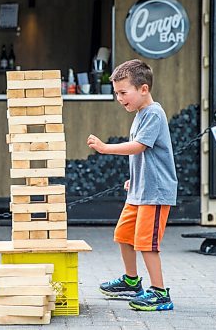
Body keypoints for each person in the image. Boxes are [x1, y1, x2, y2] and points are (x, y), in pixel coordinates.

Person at [87, 59, 177, 311]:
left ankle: (160, 294)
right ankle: (131, 281)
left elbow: (139, 147)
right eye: (116, 93)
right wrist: (134, 177)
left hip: (155, 193)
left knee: (147, 244)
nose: (119, 98)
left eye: (123, 92)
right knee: (124, 235)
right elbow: (145, 155)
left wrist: (105, 148)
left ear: (144, 89)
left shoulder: (154, 114)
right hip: (139, 190)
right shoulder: (140, 114)